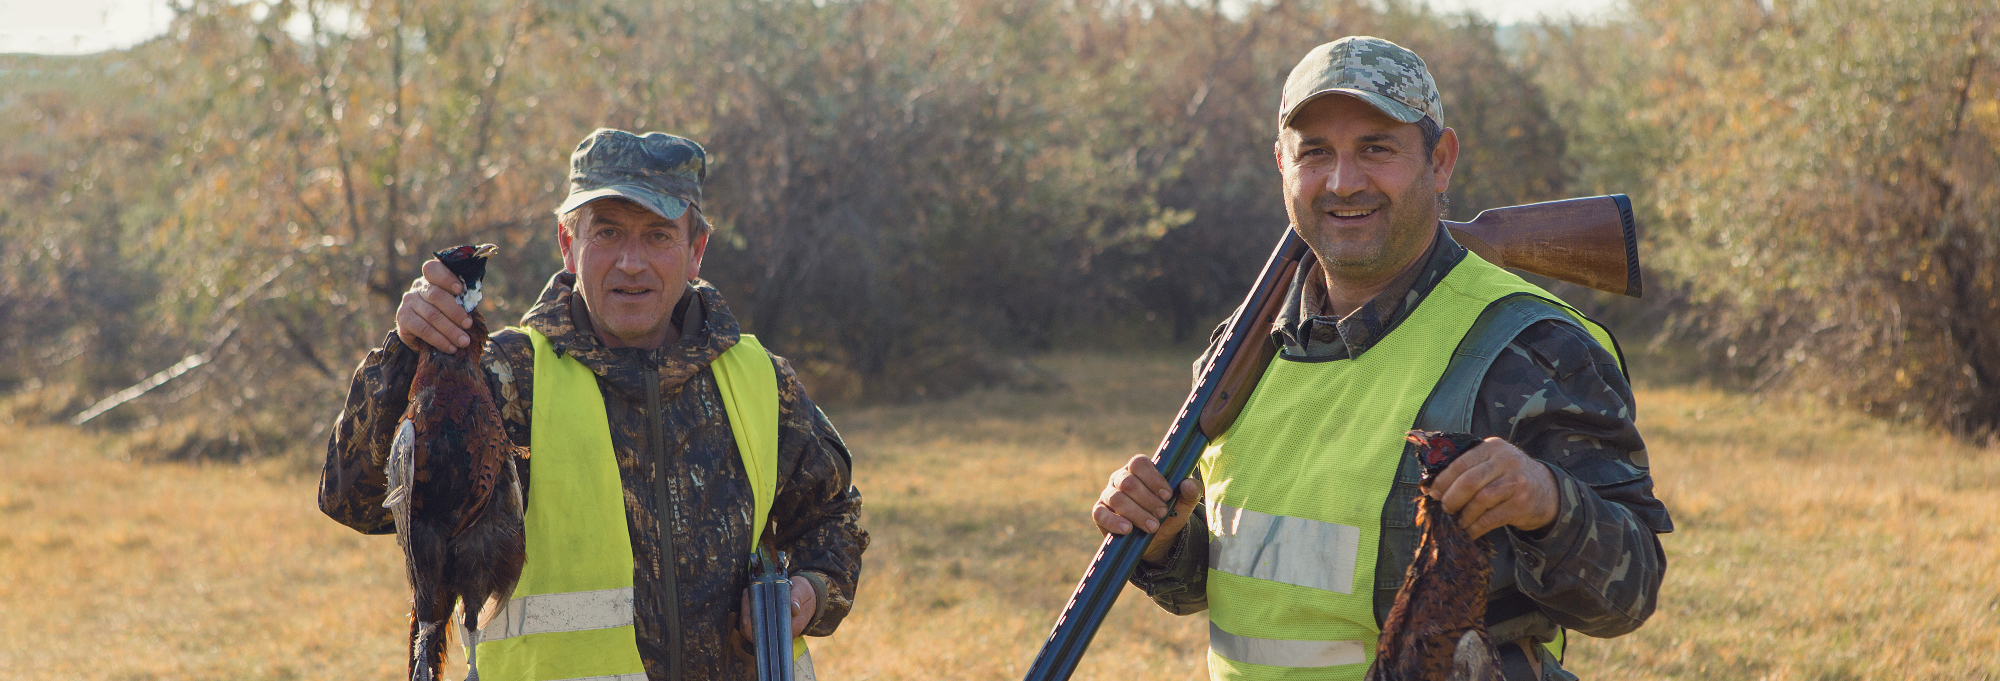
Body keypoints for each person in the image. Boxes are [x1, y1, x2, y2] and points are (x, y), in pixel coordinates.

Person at [1091, 37, 1670, 681]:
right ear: (1281, 165)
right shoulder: (1241, 350)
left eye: (1377, 148)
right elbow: (1241, 582)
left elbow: (1630, 594)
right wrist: (1165, 536)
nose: (1343, 182)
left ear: (1441, 161)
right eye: (1315, 153)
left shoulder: (1532, 346)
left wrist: (1546, 502)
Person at [320, 128, 866, 681]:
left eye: (658, 236)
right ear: (568, 243)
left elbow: (833, 516)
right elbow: (355, 498)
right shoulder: (505, 376)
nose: (631, 262)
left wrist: (810, 592)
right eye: (606, 233)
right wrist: (407, 352)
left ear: (696, 250)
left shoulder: (760, 379)